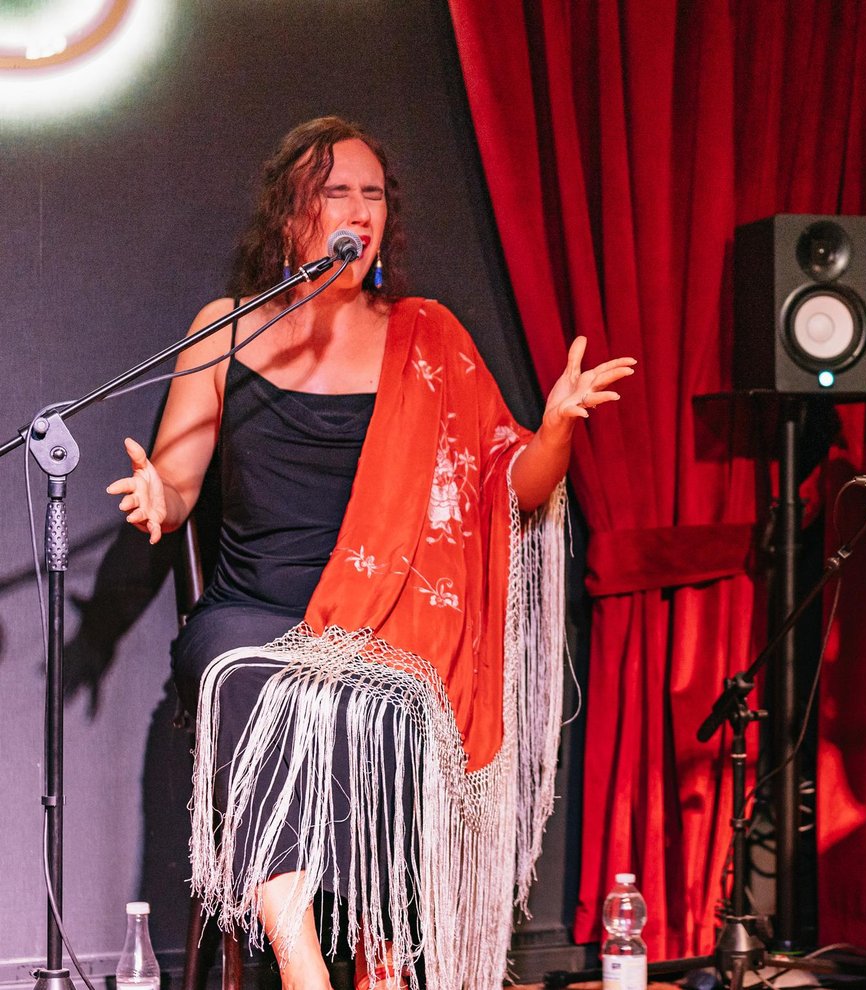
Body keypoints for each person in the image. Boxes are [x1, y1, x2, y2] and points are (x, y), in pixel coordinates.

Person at [107, 116, 635, 990]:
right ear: (290, 217)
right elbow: (179, 475)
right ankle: (306, 964)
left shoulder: (426, 338)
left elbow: (514, 487)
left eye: (373, 194)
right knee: (250, 684)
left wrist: (557, 429)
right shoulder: (223, 329)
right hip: (252, 614)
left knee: (392, 700)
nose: (360, 209)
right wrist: (159, 498)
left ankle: (385, 967)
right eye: (334, 192)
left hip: (388, 619)